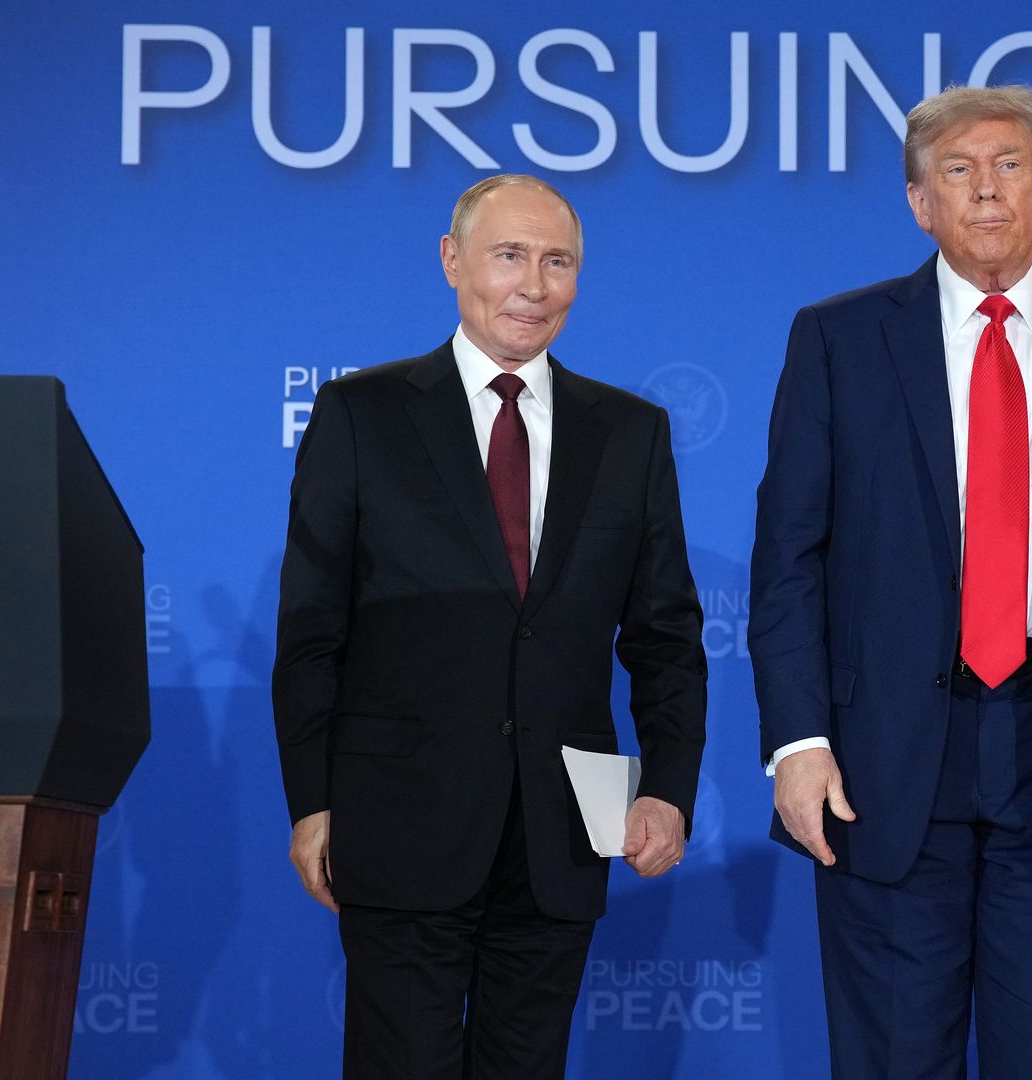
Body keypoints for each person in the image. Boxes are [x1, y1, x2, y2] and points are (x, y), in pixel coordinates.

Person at [750, 84, 1032, 1078]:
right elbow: (789, 559)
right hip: (882, 759)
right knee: (894, 1057)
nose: (987, 190)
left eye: (1010, 167)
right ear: (920, 203)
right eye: (957, 171)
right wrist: (797, 740)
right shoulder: (838, 339)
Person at [272, 174, 706, 1079]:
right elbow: (314, 630)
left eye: (558, 262)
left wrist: (667, 787)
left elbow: (664, 636)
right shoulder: (363, 415)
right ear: (452, 261)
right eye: (510, 256)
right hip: (398, 823)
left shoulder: (631, 432)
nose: (534, 285)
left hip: (561, 830)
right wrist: (313, 802)